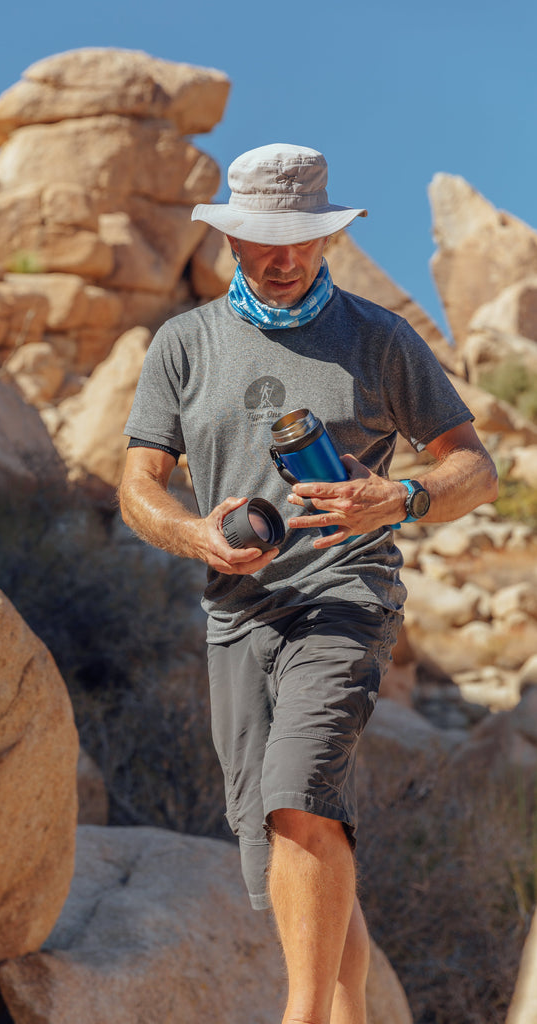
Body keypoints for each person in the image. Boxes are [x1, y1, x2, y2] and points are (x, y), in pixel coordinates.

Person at [118, 143, 498, 1024]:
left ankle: (300, 1018)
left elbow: (474, 469)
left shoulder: (379, 337)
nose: (282, 258)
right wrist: (191, 534)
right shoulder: (184, 342)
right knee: (292, 831)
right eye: (262, 239)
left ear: (327, 238)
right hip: (237, 614)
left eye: (301, 239)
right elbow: (138, 486)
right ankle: (351, 1010)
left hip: (345, 594)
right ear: (229, 240)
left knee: (296, 795)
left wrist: (399, 496)